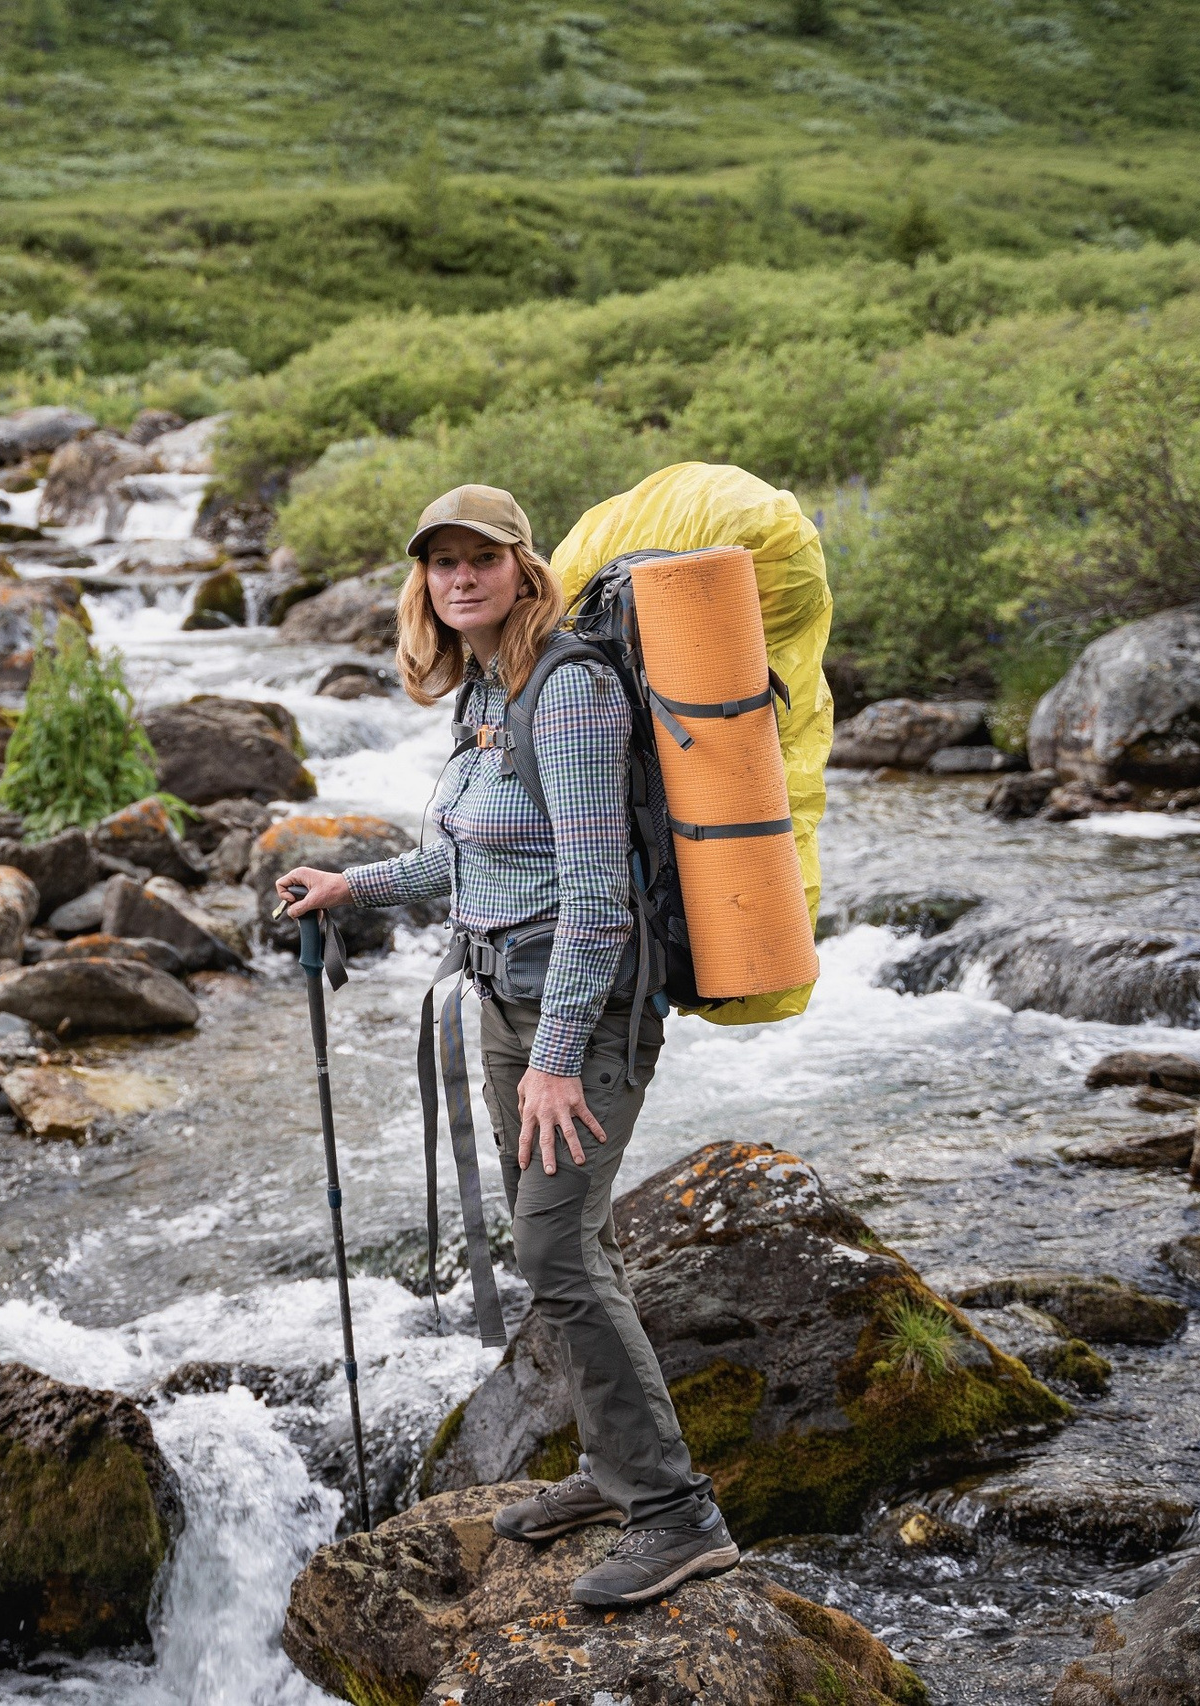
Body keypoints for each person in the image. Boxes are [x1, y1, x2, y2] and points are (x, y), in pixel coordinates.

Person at [277, 483, 736, 1607]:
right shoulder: (487, 692)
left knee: (556, 1254)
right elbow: (466, 861)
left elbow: (594, 900)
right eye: (440, 561)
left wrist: (556, 1056)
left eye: (480, 557)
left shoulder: (569, 691)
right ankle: (614, 1466)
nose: (459, 576)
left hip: (575, 1015)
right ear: (423, 582)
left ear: (523, 567)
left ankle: (677, 1516)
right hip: (501, 999)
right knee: (572, 1244)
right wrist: (356, 882)